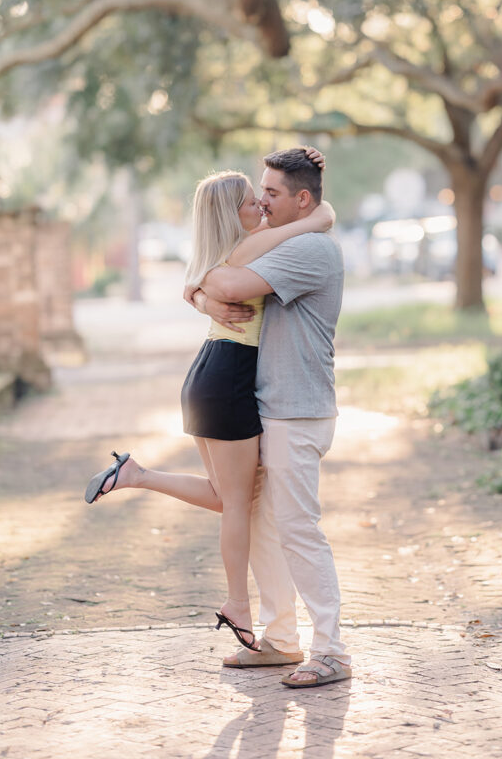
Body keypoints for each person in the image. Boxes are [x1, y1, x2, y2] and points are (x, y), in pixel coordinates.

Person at [83, 153, 333, 655]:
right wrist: (323, 217)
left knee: (226, 496)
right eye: (251, 201)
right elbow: (227, 271)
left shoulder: (230, 249)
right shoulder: (250, 247)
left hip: (210, 374)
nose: (261, 205)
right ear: (232, 215)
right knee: (238, 504)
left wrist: (197, 291)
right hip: (230, 378)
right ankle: (238, 603)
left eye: (265, 197)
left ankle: (136, 475)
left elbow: (194, 282)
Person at [187, 147, 351, 689]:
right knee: (261, 525)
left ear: (303, 200)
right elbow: (216, 276)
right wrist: (199, 297)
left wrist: (208, 293)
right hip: (269, 406)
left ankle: (332, 651)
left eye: (273, 193)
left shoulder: (309, 247)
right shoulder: (288, 239)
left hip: (296, 410)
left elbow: (229, 282)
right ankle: (281, 640)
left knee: (299, 530)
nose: (261, 199)